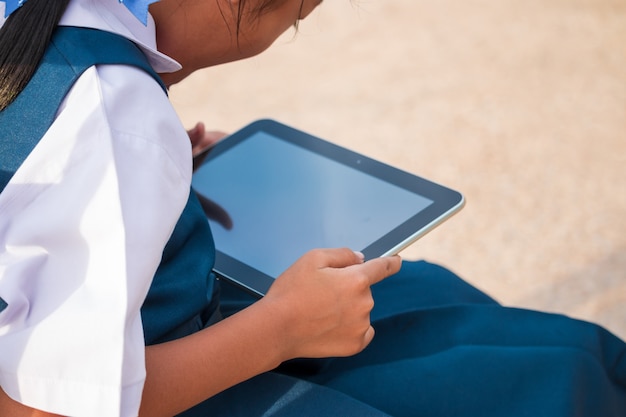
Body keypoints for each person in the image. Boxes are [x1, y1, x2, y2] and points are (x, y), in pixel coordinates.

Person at [0, 0, 624, 416]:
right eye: (292, 18)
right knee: (558, 376)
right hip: (157, 384)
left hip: (141, 335)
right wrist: (280, 331)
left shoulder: (39, 27)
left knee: (431, 293)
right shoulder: (117, 111)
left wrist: (144, 183)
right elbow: (43, 404)